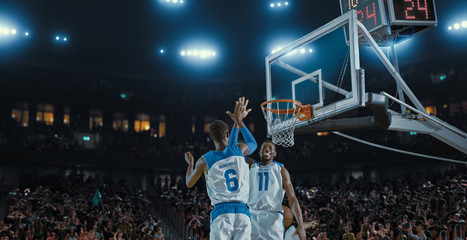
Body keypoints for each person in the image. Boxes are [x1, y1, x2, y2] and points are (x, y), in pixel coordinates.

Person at [184, 97, 257, 240]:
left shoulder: (203, 161)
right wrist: (239, 121)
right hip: (242, 211)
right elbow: (252, 143)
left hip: (222, 212)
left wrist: (190, 164)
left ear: (211, 137)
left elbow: (189, 183)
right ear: (228, 135)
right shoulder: (239, 149)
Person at [247, 140, 307, 240]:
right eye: (264, 148)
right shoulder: (251, 165)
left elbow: (292, 199)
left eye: (270, 148)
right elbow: (236, 151)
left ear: (275, 153)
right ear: (259, 152)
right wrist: (238, 124)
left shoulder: (280, 169)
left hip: (272, 219)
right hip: (251, 216)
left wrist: (300, 224)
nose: (267, 149)